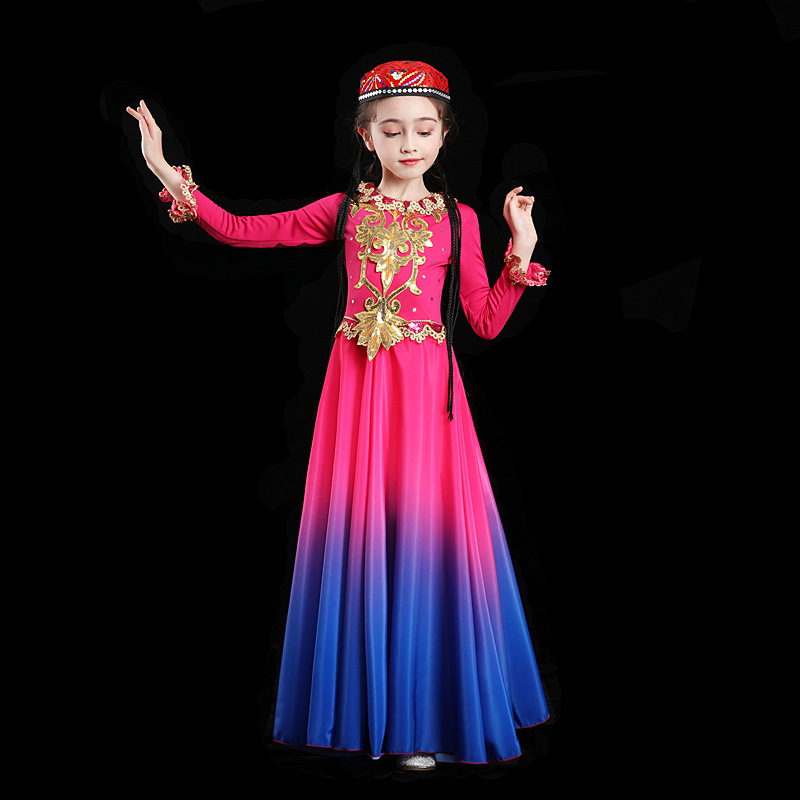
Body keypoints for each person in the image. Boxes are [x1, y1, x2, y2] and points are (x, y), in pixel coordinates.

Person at [126, 58, 551, 772]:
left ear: (445, 135)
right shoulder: (346, 210)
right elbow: (239, 230)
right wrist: (164, 170)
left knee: (426, 540)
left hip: (427, 396)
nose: (409, 143)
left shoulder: (459, 220)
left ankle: (424, 723)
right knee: (360, 534)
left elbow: (482, 320)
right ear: (366, 135)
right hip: (357, 391)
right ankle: (367, 716)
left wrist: (523, 248)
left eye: (424, 130)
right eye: (392, 129)